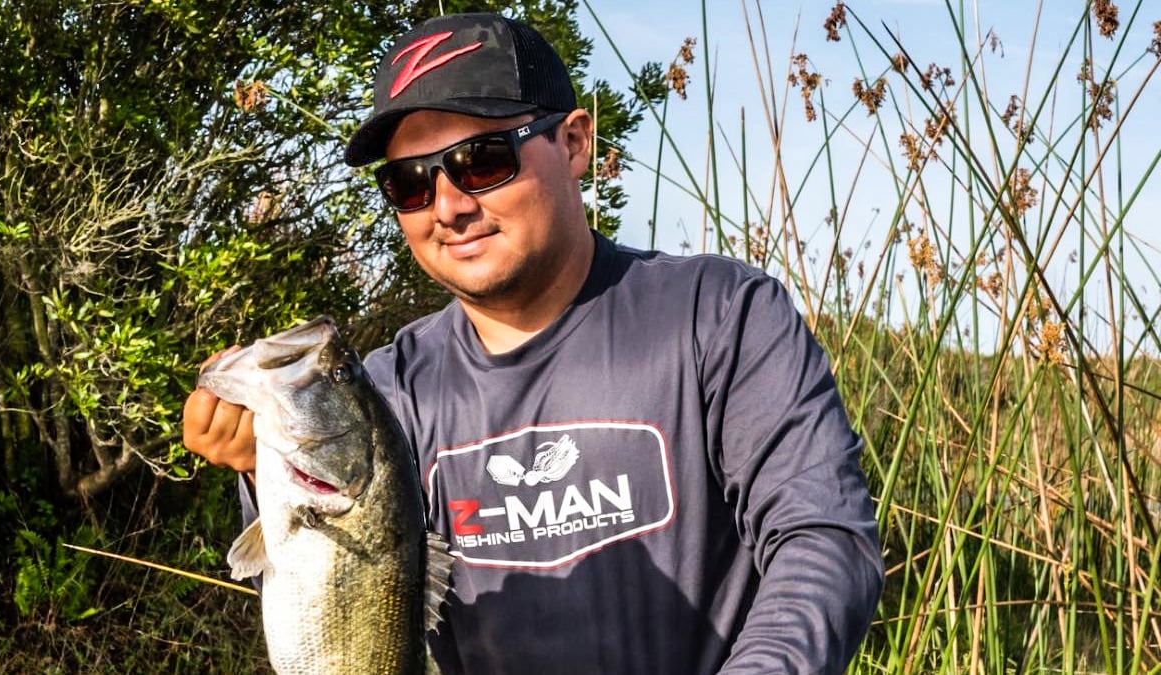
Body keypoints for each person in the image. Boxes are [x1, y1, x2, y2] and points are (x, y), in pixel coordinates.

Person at [183, 12, 883, 674]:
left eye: (482, 160)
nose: (450, 204)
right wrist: (256, 465)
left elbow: (824, 540)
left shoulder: (720, 314)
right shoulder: (391, 388)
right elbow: (342, 604)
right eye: (410, 182)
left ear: (575, 142)